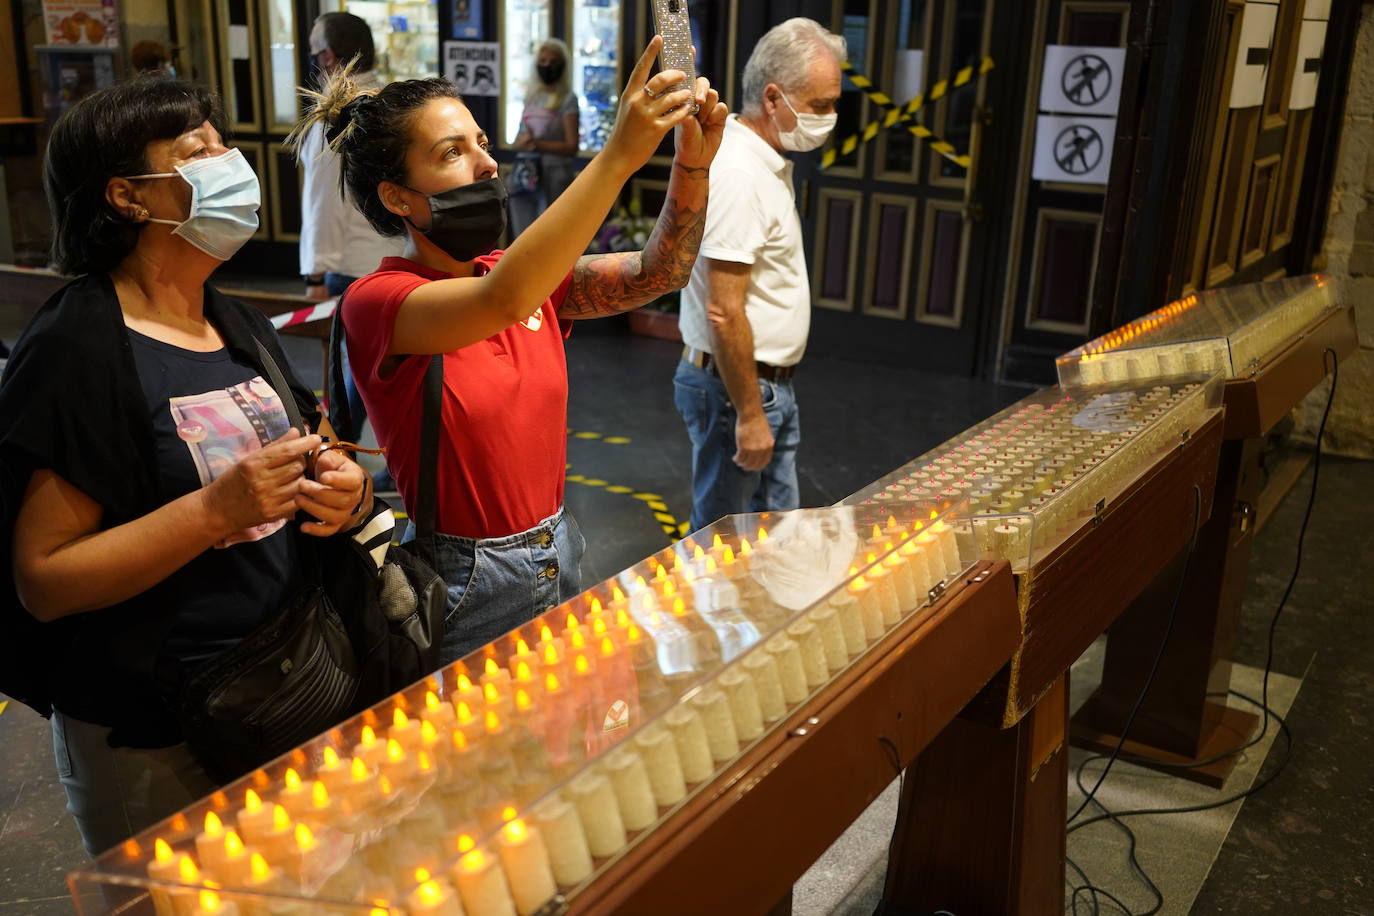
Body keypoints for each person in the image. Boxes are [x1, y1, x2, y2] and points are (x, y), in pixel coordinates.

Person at [0, 77, 370, 856]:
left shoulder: (227, 317)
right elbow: (45, 580)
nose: (230, 161)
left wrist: (342, 486)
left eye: (223, 142)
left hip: (284, 685)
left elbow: (313, 442)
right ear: (129, 198)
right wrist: (215, 511)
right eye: (197, 151)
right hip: (155, 737)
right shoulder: (78, 349)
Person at [293, 37, 727, 664]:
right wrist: (616, 158)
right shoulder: (380, 301)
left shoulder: (514, 273)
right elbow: (502, 299)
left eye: (482, 144)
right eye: (452, 152)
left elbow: (658, 273)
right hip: (465, 579)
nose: (487, 164)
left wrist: (692, 163)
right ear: (398, 198)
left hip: (561, 548)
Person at [674, 18, 844, 532]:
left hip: (764, 387)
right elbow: (724, 310)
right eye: (820, 105)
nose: (830, 117)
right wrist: (750, 413)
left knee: (774, 539)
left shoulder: (764, 163)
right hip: (738, 390)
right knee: (724, 544)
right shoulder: (741, 173)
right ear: (773, 98)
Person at [300, 12, 406, 454]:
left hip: (351, 263)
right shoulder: (392, 101)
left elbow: (324, 200)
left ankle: (338, 453)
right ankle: (399, 456)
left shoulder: (334, 114)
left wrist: (315, 272)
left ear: (327, 55)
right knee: (392, 371)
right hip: (400, 255)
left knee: (354, 379)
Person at [508, 38, 579, 237]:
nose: (547, 67)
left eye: (553, 62)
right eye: (543, 61)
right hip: (526, 175)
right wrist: (523, 143)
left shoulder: (567, 99)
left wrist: (537, 145)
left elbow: (572, 146)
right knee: (522, 235)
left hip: (554, 177)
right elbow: (517, 141)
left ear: (562, 66)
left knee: (549, 236)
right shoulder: (531, 96)